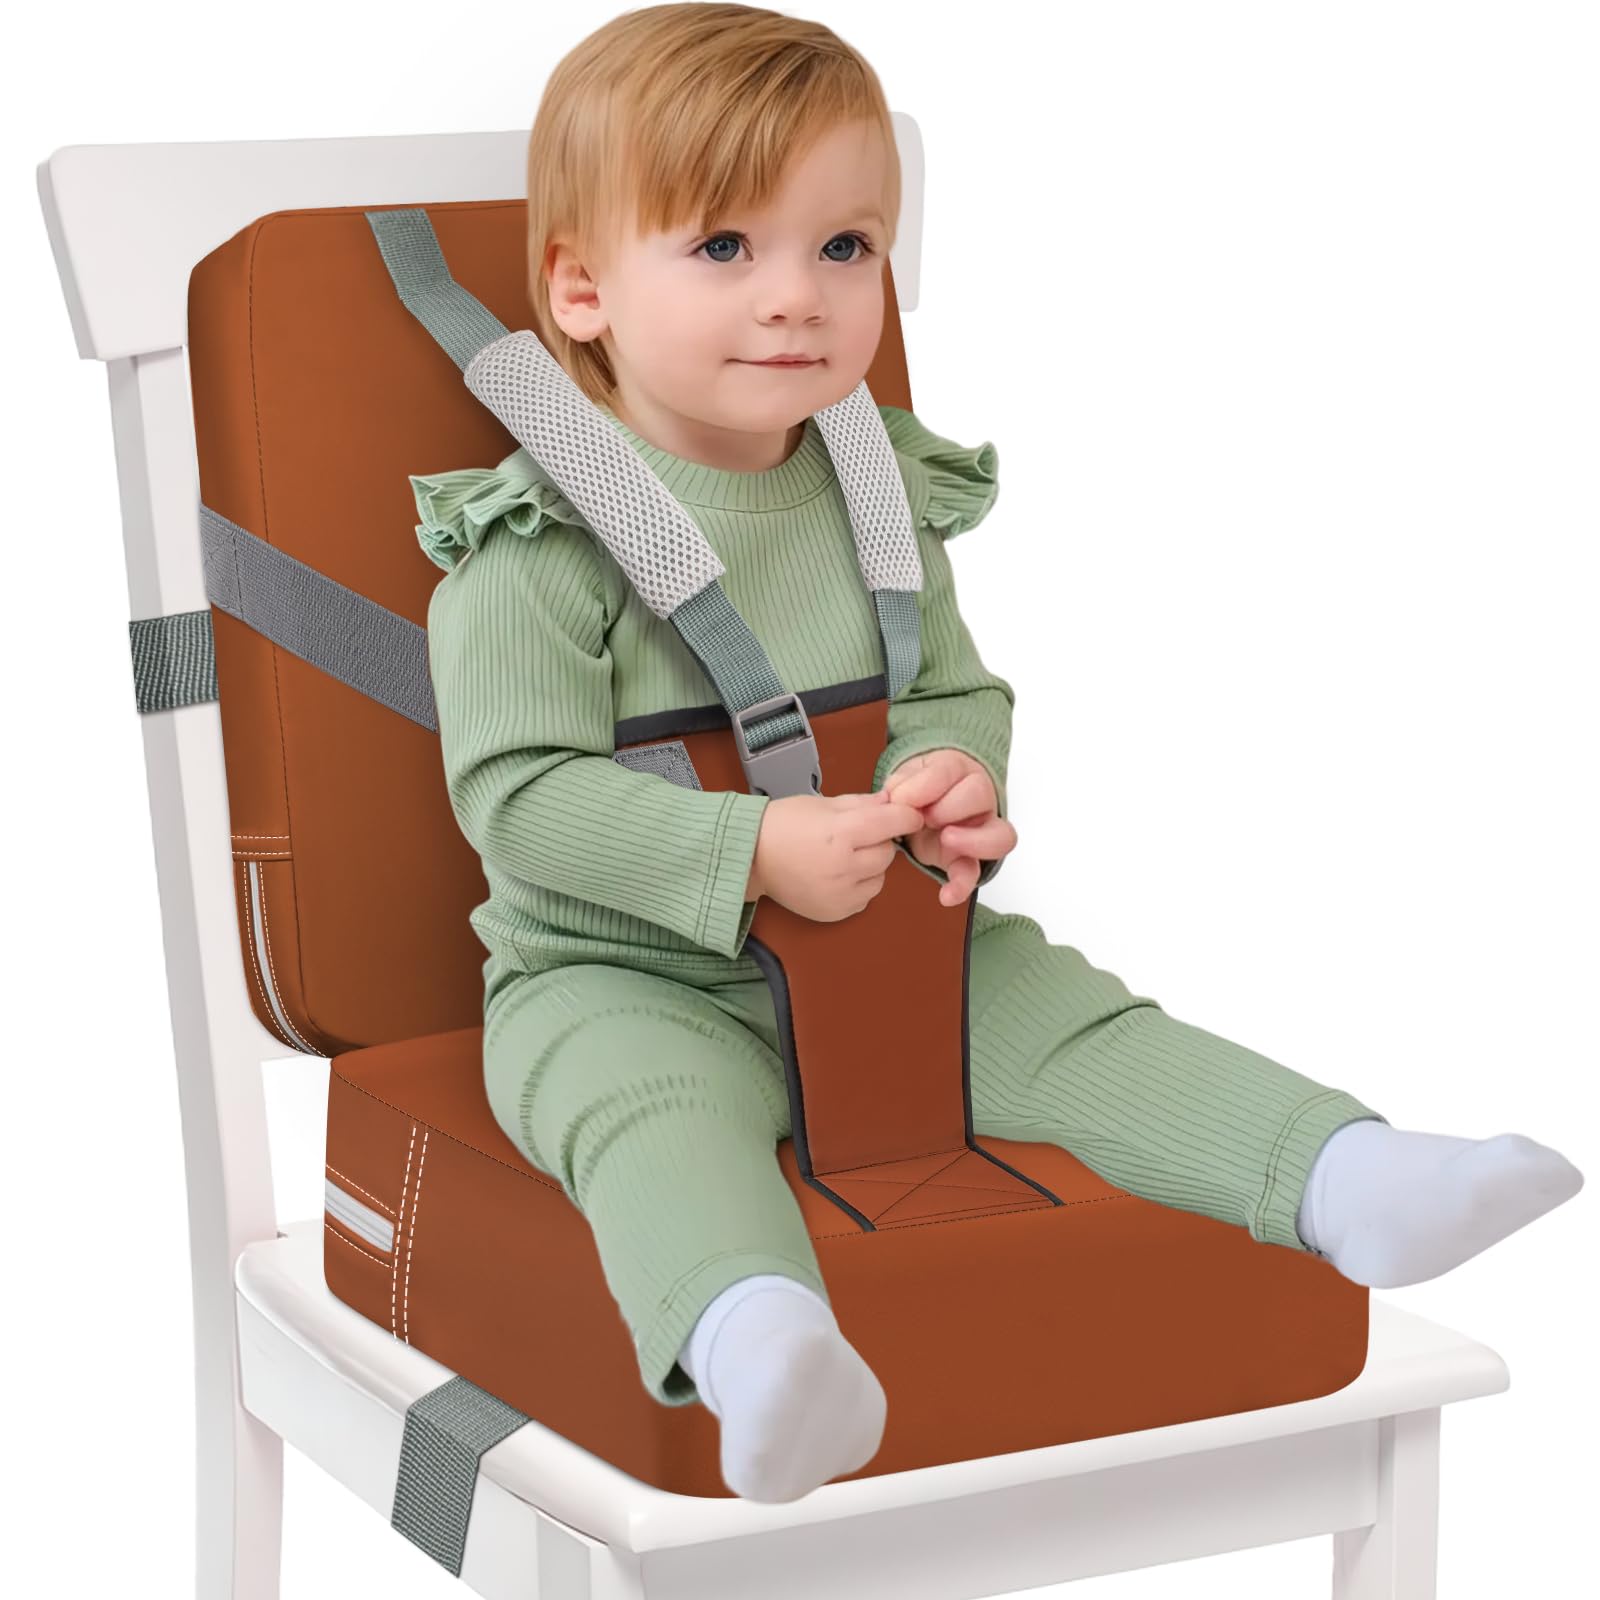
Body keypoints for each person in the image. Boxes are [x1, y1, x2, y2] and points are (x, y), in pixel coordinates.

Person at [412, 3, 1583, 1504]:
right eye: (725, 247)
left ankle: (1351, 1177)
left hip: (889, 945)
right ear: (582, 289)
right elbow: (516, 802)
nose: (798, 296)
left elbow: (951, 686)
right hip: (620, 977)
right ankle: (764, 1346)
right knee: (652, 1118)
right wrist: (753, 851)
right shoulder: (538, 545)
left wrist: (948, 779)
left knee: (1079, 1026)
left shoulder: (876, 491)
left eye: (845, 247)